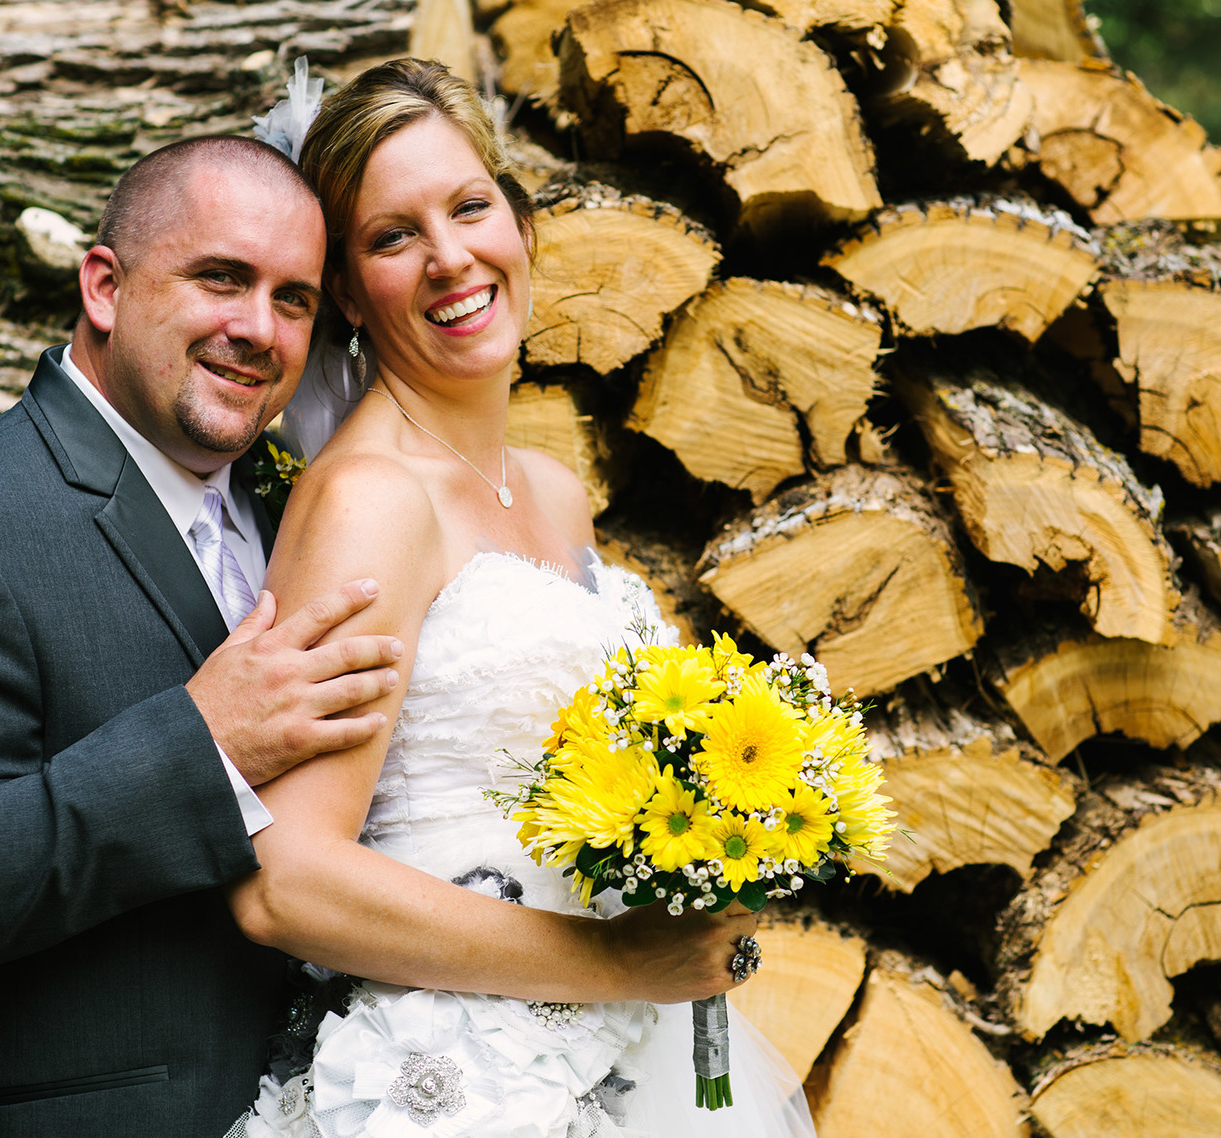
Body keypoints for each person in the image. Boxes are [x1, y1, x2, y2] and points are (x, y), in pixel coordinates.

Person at [221, 59, 812, 1137]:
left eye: (469, 206)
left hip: (632, 1048)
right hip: (463, 1079)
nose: (451, 257)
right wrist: (612, 962)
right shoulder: (368, 499)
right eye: (393, 236)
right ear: (349, 291)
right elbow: (284, 880)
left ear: (521, 224)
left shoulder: (548, 487)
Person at [0, 135, 410, 1135]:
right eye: (221, 279)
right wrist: (204, 747)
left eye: (293, 299)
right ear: (104, 286)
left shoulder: (301, 505)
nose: (258, 329)